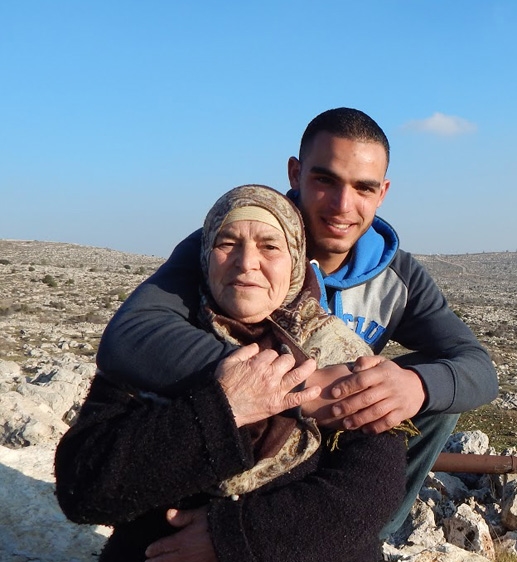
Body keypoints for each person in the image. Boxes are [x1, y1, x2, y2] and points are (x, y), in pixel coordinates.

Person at [95, 107, 499, 541]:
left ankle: (367, 533)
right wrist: (287, 386)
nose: (343, 205)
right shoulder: (236, 243)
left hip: (332, 460)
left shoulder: (395, 276)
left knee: (429, 392)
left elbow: (477, 368)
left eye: (363, 188)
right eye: (325, 180)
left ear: (382, 193)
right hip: (236, 445)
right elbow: (130, 336)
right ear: (295, 173)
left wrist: (415, 387)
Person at [56, 184, 408, 561]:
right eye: (228, 243)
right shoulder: (158, 348)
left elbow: (369, 492)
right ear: (206, 256)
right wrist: (226, 408)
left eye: (270, 246)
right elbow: (85, 488)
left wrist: (231, 537)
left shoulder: (341, 355)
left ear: (297, 261)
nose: (246, 262)